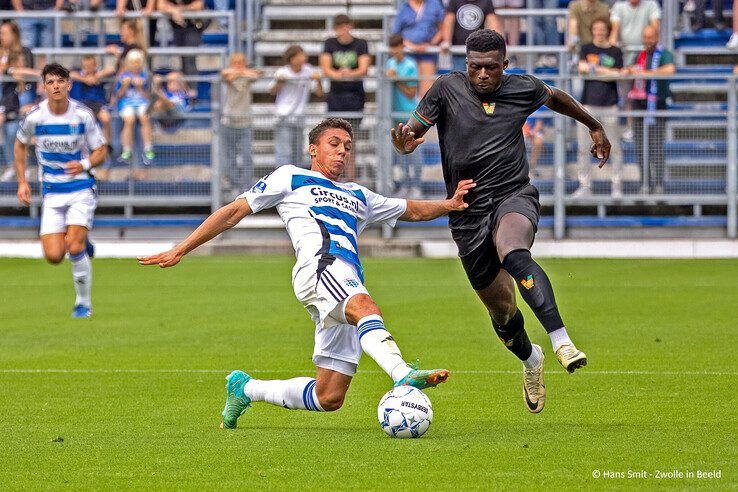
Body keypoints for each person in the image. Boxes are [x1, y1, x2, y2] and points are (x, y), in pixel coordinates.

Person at [139, 118, 476, 428]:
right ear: (313, 148)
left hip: (346, 278)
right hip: (320, 268)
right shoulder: (290, 177)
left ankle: (246, 389)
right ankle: (403, 373)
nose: (342, 151)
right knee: (367, 309)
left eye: (347, 146)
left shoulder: (359, 195)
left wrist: (449, 204)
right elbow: (233, 212)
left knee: (329, 397)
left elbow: (411, 209)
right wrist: (182, 248)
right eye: (334, 143)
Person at [391, 29, 612, 414]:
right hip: (466, 211)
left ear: (504, 66)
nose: (482, 75)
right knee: (503, 313)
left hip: (513, 194)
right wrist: (404, 143)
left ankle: (562, 341)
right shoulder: (445, 89)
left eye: (491, 68)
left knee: (514, 251)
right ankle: (532, 361)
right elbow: (411, 133)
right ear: (466, 65)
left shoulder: (522, 88)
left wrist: (593, 125)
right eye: (475, 67)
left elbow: (557, 98)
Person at [14, 63, 108, 318]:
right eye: (50, 82)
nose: (55, 86)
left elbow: (101, 149)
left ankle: (83, 304)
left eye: (60, 82)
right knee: (54, 255)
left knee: (73, 247)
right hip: (52, 192)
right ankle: (83, 242)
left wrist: (85, 163)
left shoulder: (82, 115)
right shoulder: (35, 117)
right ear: (44, 87)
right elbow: (20, 145)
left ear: (68, 84)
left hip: (80, 188)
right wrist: (23, 181)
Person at [573, 18, 623, 197]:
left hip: (610, 105)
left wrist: (595, 70)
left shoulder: (615, 51)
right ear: (592, 30)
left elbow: (617, 75)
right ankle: (585, 185)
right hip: (587, 107)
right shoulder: (586, 48)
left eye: (602, 29)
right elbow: (582, 70)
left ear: (607, 30)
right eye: (596, 28)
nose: (599, 32)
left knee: (614, 147)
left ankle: (616, 184)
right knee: (583, 147)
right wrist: (605, 72)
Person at [624, 25, 674, 195]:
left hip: (657, 106)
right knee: (641, 147)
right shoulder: (640, 55)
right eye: (645, 37)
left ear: (657, 37)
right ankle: (644, 183)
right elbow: (631, 70)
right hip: (639, 106)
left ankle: (658, 184)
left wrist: (647, 73)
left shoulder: (664, 54)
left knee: (656, 147)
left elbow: (670, 69)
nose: (647, 41)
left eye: (650, 37)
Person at [320, 14, 371, 180]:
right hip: (335, 98)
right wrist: (339, 75)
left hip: (355, 98)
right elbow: (326, 68)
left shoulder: (361, 44)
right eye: (339, 26)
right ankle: (334, 177)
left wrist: (349, 73)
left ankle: (350, 179)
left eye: (345, 25)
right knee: (333, 140)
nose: (343, 30)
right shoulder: (329, 43)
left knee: (350, 142)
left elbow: (364, 68)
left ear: (351, 26)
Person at [273, 45, 323, 167]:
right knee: (284, 153)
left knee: (297, 154)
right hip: (283, 117)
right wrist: (280, 81)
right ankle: (281, 182)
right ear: (292, 59)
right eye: (300, 55)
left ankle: (295, 182)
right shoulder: (282, 72)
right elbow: (273, 91)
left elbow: (319, 93)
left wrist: (318, 80)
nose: (304, 57)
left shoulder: (308, 70)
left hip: (299, 117)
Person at [386, 34, 422, 197]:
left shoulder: (410, 65)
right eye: (391, 48)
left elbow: (410, 92)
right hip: (394, 114)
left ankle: (416, 186)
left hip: (409, 114)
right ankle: (404, 185)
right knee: (400, 153)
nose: (394, 51)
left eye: (396, 47)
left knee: (414, 153)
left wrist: (396, 79)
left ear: (402, 47)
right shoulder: (389, 63)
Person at [70, 55, 114, 181]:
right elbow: (69, 73)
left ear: (95, 66)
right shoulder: (78, 75)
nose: (88, 68)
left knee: (106, 118)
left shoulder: (99, 74)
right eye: (86, 66)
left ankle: (107, 144)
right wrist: (85, 79)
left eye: (91, 66)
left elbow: (111, 69)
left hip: (98, 104)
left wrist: (97, 76)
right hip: (83, 106)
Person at [220, 52, 260, 191]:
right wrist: (239, 72)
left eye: (241, 62)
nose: (239, 66)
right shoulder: (230, 74)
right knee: (230, 155)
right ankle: (234, 184)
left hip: (245, 122)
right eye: (236, 63)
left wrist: (241, 72)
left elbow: (257, 74)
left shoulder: (247, 76)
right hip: (229, 121)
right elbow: (226, 75)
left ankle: (247, 185)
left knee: (247, 155)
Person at [0, 20, 33, 181]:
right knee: (7, 133)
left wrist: (13, 70)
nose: (1, 36)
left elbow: (28, 73)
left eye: (4, 33)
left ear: (14, 35)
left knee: (16, 132)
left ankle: (22, 168)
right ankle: (12, 167)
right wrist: (10, 69)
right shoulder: (1, 52)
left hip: (22, 94)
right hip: (6, 96)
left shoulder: (25, 51)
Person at [392, 0, 445, 97]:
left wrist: (430, 44)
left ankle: (425, 112)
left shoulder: (435, 4)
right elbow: (396, 33)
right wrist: (410, 45)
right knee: (408, 88)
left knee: (427, 90)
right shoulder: (404, 7)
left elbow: (442, 29)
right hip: (408, 53)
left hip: (428, 53)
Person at [115, 49, 154, 175]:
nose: (136, 65)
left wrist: (140, 88)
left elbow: (149, 97)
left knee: (144, 117)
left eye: (138, 63)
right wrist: (125, 86)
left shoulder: (145, 76)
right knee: (129, 119)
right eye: (133, 63)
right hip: (126, 103)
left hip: (142, 102)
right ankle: (126, 149)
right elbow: (118, 96)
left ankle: (148, 148)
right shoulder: (123, 77)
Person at [441, 0, 502, 73]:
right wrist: (446, 41)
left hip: (478, 51)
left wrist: (497, 42)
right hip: (459, 50)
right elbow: (449, 21)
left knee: (478, 77)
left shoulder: (486, 1)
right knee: (459, 78)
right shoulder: (454, 1)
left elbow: (493, 22)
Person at [158, 0, 207, 75]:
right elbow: (160, 6)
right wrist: (173, 10)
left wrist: (180, 9)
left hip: (193, 27)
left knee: (189, 59)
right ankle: (184, 85)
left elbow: (199, 5)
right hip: (176, 29)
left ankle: (191, 85)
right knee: (182, 60)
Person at [609, 0, 660, 64]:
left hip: (646, 52)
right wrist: (612, 50)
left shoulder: (651, 4)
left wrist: (652, 44)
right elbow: (615, 30)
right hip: (624, 51)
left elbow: (655, 28)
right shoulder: (618, 6)